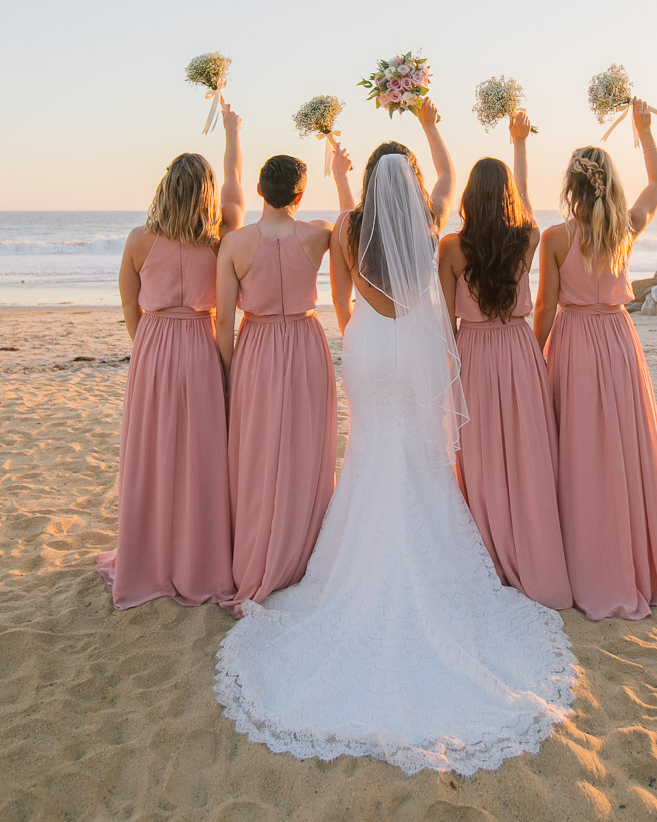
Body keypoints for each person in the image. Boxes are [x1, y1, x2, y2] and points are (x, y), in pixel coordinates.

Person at [214, 101, 576, 775]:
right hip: (410, 348)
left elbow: (342, 297)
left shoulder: (348, 227)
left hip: (368, 346)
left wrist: (361, 325)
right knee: (416, 453)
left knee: (369, 453)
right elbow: (444, 176)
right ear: (407, 185)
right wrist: (429, 120)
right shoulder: (433, 226)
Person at [534, 98, 657, 621]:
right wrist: (644, 131)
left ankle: (590, 561)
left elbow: (543, 306)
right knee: (625, 449)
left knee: (582, 451)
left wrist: (537, 358)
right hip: (619, 341)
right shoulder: (625, 226)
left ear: (572, 188)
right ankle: (633, 561)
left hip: (576, 342)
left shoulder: (557, 237)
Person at [97, 104, 245, 608]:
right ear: (205, 194)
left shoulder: (140, 239)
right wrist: (231, 133)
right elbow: (235, 184)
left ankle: (151, 558)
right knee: (203, 455)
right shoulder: (220, 237)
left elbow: (127, 300)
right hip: (201, 345)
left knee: (153, 453)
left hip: (155, 345)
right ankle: (198, 560)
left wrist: (145, 347)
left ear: (163, 190)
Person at [438, 111, 571, 609]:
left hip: (472, 351)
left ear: (469, 198)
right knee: (526, 453)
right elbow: (528, 200)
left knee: (482, 457)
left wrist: (448, 361)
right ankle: (530, 551)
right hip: (518, 349)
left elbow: (441, 319)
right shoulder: (528, 237)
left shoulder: (452, 247)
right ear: (508, 198)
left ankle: (488, 553)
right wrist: (519, 144)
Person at [217, 143, 354, 617]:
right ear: (299, 194)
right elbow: (353, 227)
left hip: (256, 347)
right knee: (307, 448)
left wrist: (229, 374)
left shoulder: (234, 244)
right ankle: (304, 553)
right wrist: (340, 174)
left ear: (260, 190)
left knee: (256, 453)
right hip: (305, 343)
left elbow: (221, 324)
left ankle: (257, 551)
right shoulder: (319, 234)